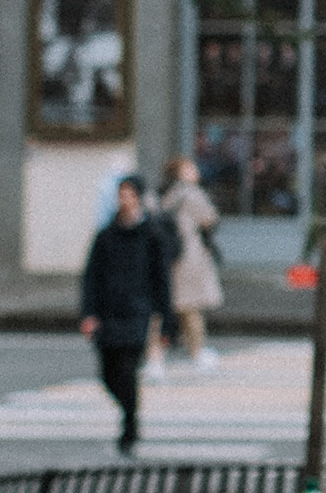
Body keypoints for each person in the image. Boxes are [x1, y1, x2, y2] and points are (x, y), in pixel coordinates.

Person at [80, 175, 172, 453]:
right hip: (108, 311)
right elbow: (91, 276)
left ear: (139, 197)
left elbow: (161, 280)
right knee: (107, 372)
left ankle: (130, 425)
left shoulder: (152, 235)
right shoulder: (106, 235)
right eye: (121, 194)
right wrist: (89, 312)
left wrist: (167, 322)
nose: (124, 199)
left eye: (130, 194)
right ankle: (128, 412)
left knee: (128, 369)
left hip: (137, 311)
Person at [162, 157, 223, 364]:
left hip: (172, 253)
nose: (195, 171)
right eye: (190, 168)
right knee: (192, 306)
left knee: (180, 305)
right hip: (190, 254)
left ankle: (170, 348)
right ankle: (197, 351)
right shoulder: (191, 193)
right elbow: (210, 218)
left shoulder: (167, 192)